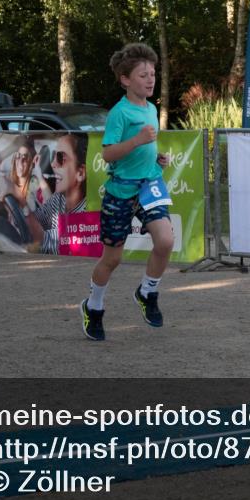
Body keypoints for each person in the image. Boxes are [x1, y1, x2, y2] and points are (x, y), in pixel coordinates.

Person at [82, 43, 174, 341]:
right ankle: (93, 307)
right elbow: (108, 155)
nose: (150, 79)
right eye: (143, 75)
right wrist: (136, 141)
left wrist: (157, 157)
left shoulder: (151, 109)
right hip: (120, 191)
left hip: (149, 184)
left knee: (166, 240)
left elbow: (147, 146)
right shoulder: (119, 114)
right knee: (113, 259)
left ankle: (147, 292)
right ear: (125, 79)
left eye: (153, 74)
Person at [26, 132, 87, 255]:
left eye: (61, 158)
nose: (53, 164)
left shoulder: (88, 211)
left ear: (80, 173)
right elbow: (35, 221)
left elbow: (48, 241)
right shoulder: (59, 199)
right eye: (54, 156)